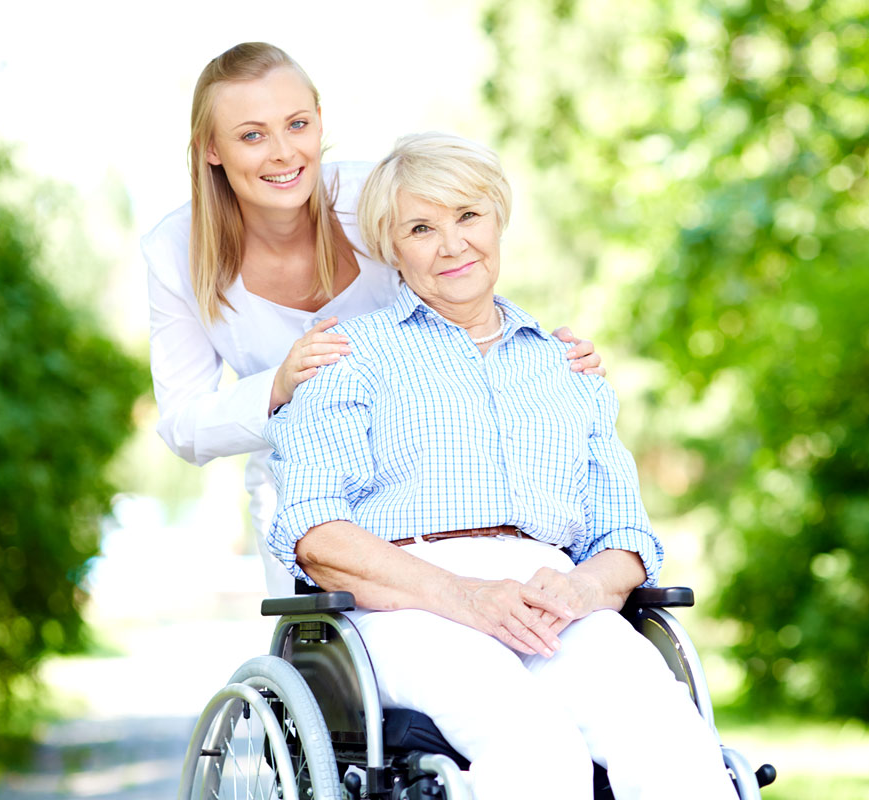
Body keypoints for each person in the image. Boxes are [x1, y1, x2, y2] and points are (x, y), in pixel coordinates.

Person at [264, 132, 735, 799]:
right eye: (421, 227)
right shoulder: (349, 357)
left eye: (468, 216)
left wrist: (581, 591)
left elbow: (626, 539)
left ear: (498, 218)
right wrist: (463, 596)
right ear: (392, 248)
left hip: (553, 600)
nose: (452, 244)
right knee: (536, 750)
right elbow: (316, 534)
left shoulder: (566, 367)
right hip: (410, 605)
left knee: (674, 741)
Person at [144, 42, 603, 596]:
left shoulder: (373, 196)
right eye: (252, 135)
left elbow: (460, 275)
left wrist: (540, 356)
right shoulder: (175, 250)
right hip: (307, 490)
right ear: (210, 149)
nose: (283, 153)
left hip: (430, 475)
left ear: (319, 122)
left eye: (297, 124)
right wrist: (281, 385)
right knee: (324, 657)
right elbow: (184, 423)